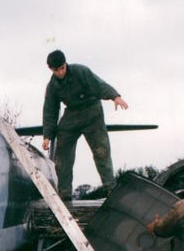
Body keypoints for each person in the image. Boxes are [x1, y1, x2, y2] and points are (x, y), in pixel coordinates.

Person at [42, 50, 128, 200]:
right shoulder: (52, 86)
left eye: (62, 68)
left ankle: (110, 189)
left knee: (101, 151)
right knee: (62, 157)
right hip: (72, 114)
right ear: (51, 69)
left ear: (65, 64)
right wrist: (47, 136)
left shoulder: (80, 72)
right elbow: (50, 111)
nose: (61, 72)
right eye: (57, 70)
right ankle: (65, 194)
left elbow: (99, 85)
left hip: (92, 111)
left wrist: (115, 96)